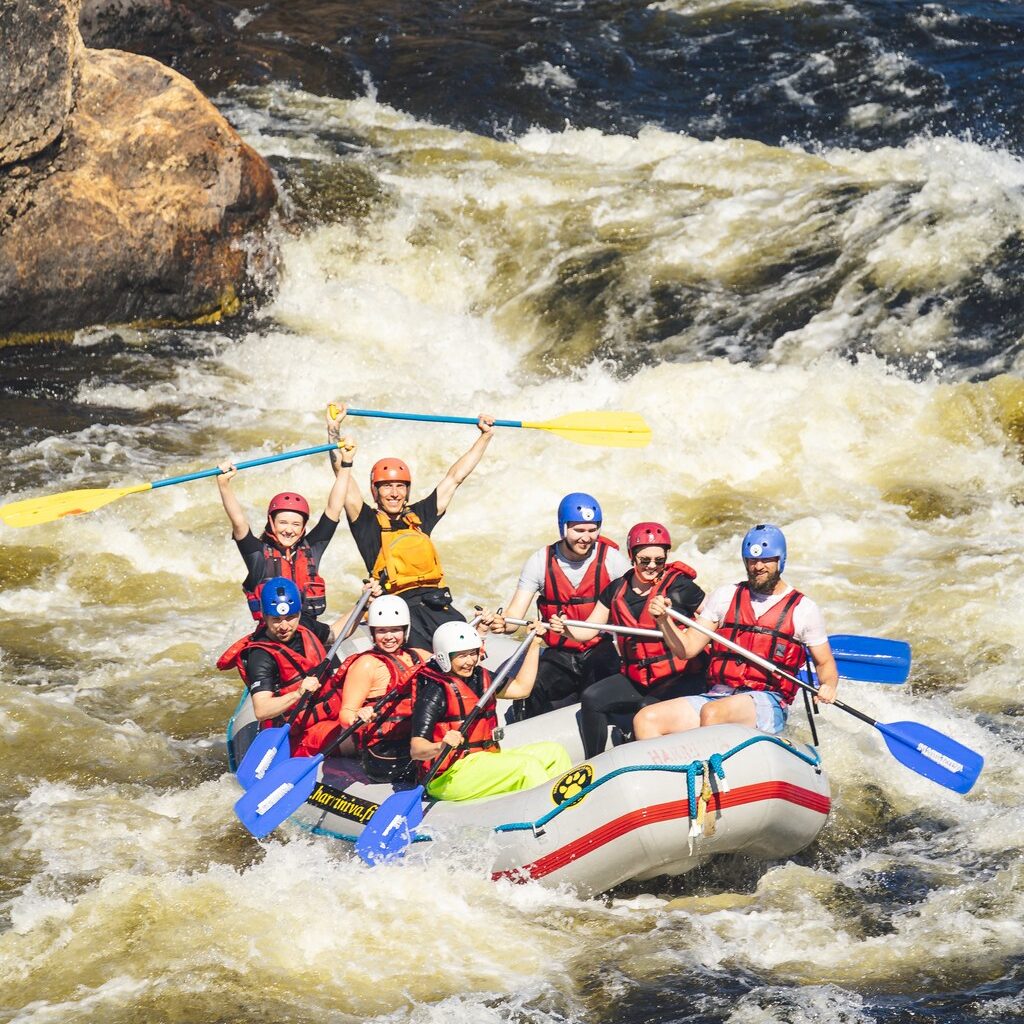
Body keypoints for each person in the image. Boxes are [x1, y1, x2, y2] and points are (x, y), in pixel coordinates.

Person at [632, 524, 838, 740]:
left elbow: (824, 663)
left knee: (714, 714)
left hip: (768, 701)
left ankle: (709, 771)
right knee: (647, 718)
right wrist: (664, 621)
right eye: (752, 560)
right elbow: (688, 649)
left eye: (766, 560)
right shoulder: (725, 596)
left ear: (780, 560)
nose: (758, 566)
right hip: (718, 695)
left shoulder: (804, 609)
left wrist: (828, 685)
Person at [330, 402, 496, 651]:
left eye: (400, 486)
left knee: (465, 650)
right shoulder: (366, 522)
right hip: (398, 612)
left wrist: (485, 436)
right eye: (386, 486)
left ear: (407, 490)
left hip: (437, 603)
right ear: (375, 491)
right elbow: (341, 474)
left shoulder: (419, 517)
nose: (394, 493)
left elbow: (455, 477)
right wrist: (334, 429)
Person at [548, 522, 707, 758]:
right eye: (645, 560)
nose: (652, 566)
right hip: (639, 678)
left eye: (659, 561)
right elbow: (588, 631)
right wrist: (566, 630)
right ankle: (595, 762)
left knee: (646, 710)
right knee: (592, 698)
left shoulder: (680, 588)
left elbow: (714, 617)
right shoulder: (616, 590)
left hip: (679, 678)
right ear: (632, 556)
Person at [487, 492, 630, 719]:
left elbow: (634, 605)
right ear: (563, 528)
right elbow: (515, 616)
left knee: (606, 688)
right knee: (532, 690)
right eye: (578, 530)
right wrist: (501, 624)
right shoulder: (539, 562)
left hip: (599, 648)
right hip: (559, 653)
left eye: (592, 530)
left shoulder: (612, 560)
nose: (586, 537)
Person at [216, 411, 356, 627]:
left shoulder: (312, 547)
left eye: (295, 524)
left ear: (302, 529)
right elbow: (239, 522)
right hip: (272, 633)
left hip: (308, 632)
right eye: (283, 522)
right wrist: (224, 485)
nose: (289, 530)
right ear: (271, 523)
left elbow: (334, 507)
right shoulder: (257, 554)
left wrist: (346, 465)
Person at [409, 621, 573, 801]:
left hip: (483, 760)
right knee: (527, 766)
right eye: (462, 656)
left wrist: (534, 644)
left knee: (554, 752)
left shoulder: (481, 677)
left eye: (473, 653)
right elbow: (416, 749)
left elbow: (521, 689)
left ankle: (571, 807)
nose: (470, 661)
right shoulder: (434, 692)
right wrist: (440, 746)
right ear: (444, 658)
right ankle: (549, 813)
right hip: (449, 776)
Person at [217, 576, 356, 757]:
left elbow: (335, 633)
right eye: (276, 619)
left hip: (334, 713)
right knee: (356, 739)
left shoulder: (303, 625)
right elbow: (261, 710)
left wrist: (364, 605)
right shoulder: (260, 656)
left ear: (298, 613)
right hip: (298, 735)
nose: (284, 626)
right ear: (265, 616)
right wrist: (298, 693)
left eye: (290, 617)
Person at [334, 595, 431, 782]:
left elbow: (451, 664)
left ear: (405, 630)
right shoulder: (366, 664)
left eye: (395, 630)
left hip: (413, 741)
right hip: (382, 751)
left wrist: (481, 633)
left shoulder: (418, 656)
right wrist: (358, 717)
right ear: (373, 632)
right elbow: (345, 714)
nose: (388, 637)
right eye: (381, 631)